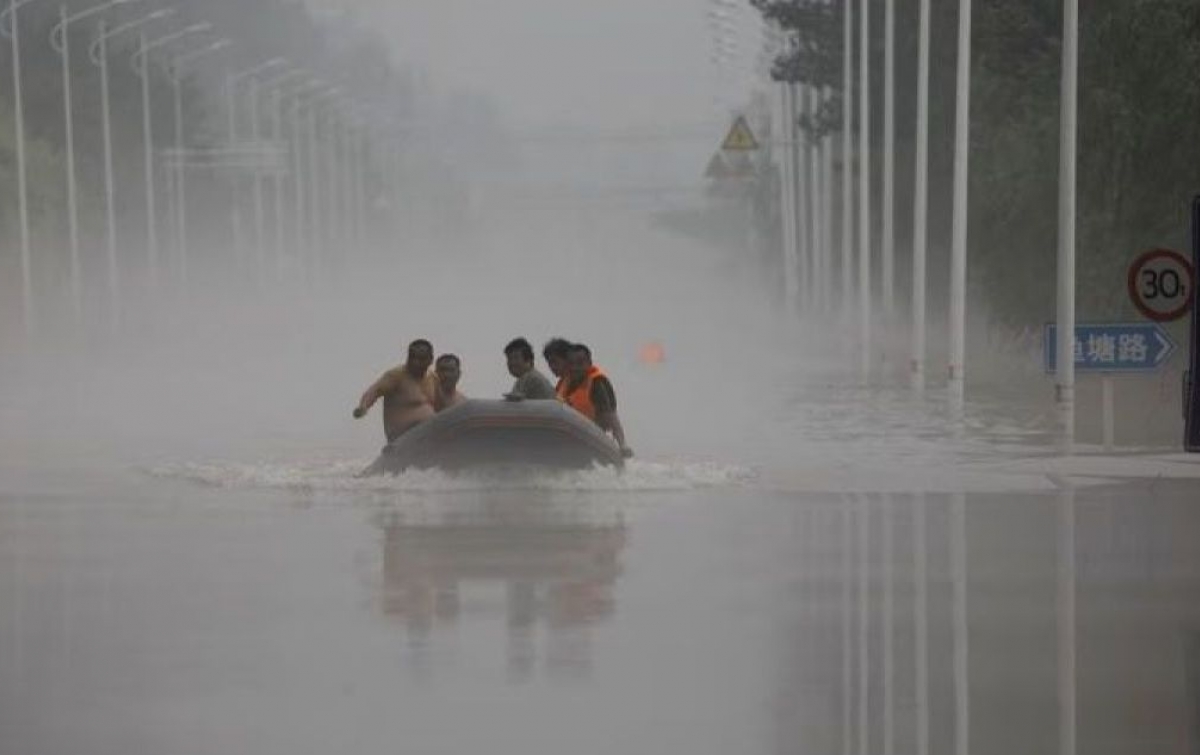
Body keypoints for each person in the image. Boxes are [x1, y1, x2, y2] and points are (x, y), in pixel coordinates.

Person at [353, 339, 437, 442]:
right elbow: (374, 391)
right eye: (412, 357)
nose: (415, 362)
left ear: (430, 360)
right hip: (401, 440)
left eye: (420, 359)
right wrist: (363, 407)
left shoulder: (433, 378)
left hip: (428, 438)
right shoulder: (396, 376)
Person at [558, 343, 633, 458]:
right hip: (570, 438)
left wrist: (622, 445)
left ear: (589, 364)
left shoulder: (596, 384)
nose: (575, 367)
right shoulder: (564, 383)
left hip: (593, 437)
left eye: (580, 363)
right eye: (571, 364)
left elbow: (611, 417)